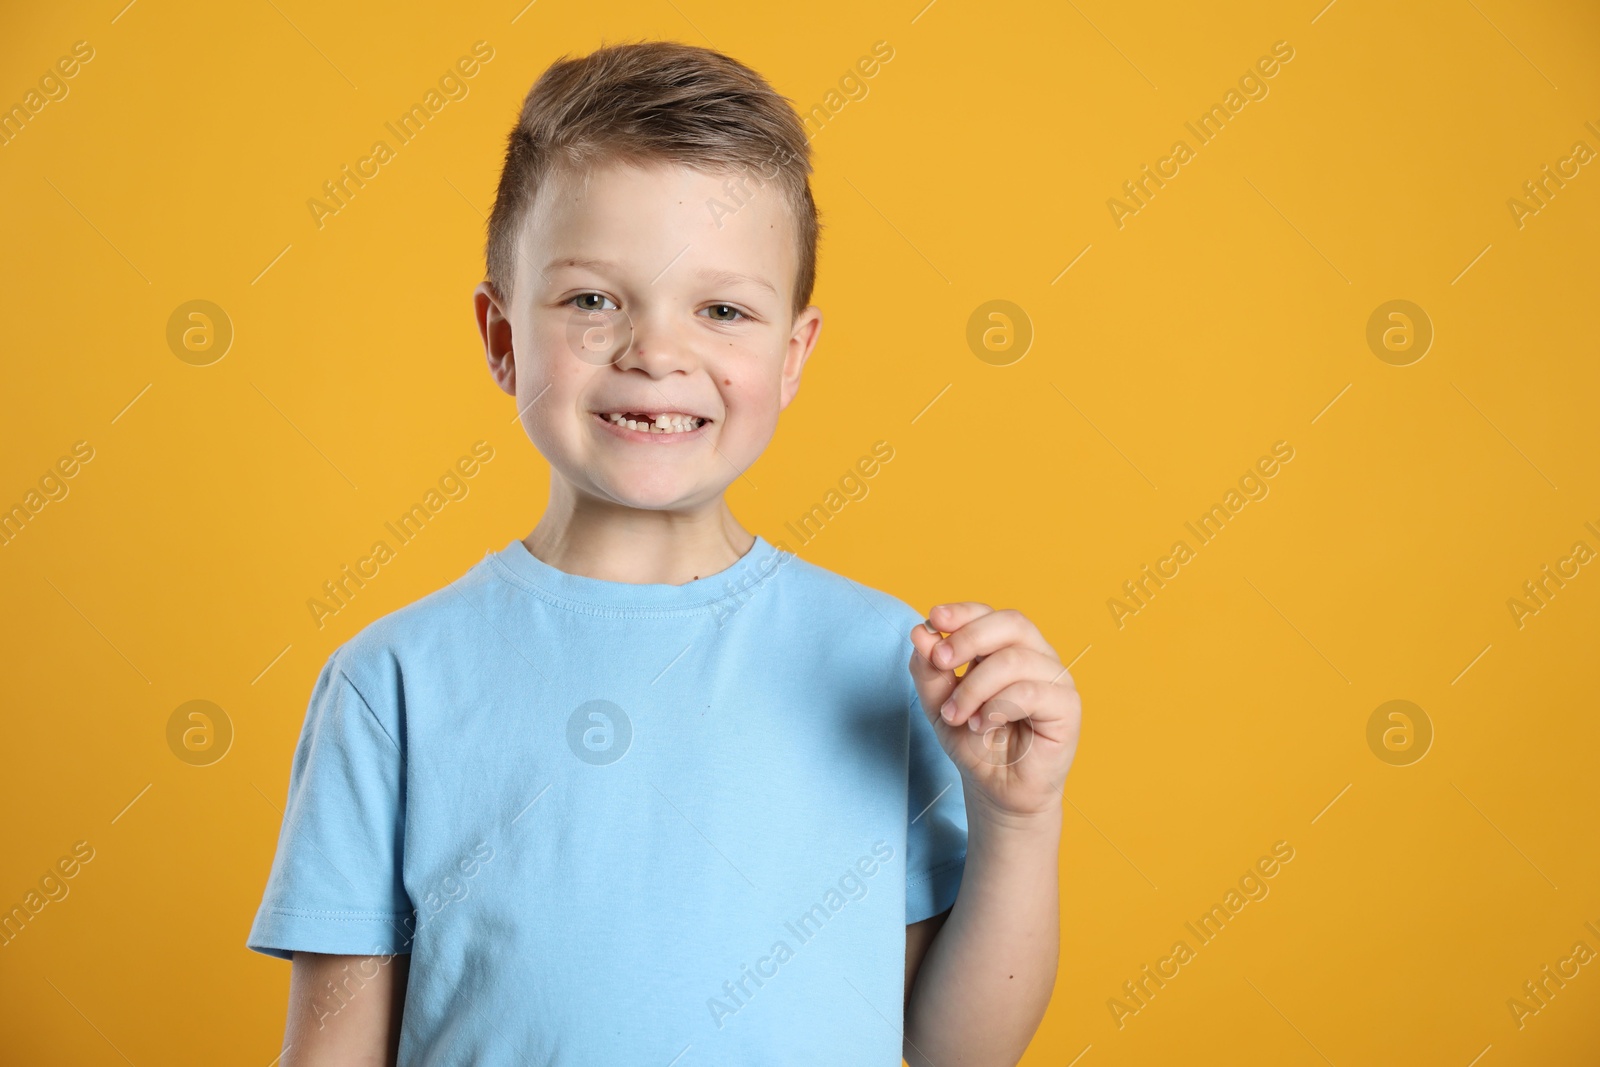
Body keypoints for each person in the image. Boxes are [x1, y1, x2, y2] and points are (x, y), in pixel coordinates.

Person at [247, 38, 1082, 1066]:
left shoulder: (884, 663)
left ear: (791, 356)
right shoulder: (393, 683)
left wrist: (1018, 816)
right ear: (501, 337)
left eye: (722, 309)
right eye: (593, 300)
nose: (657, 351)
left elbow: (955, 1052)